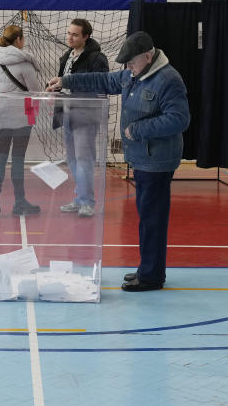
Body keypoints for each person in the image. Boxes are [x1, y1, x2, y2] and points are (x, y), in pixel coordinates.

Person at [47, 31, 190, 292]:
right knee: (148, 217)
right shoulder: (132, 75)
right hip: (142, 159)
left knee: (152, 219)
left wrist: (137, 130)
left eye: (131, 63)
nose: (127, 68)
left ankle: (151, 277)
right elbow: (102, 79)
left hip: (156, 162)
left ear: (148, 57)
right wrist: (66, 80)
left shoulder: (168, 80)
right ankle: (148, 270)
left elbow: (180, 119)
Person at [0, 25, 41, 217]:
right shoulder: (25, 64)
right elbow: (35, 92)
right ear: (18, 41)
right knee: (17, 159)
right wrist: (35, 116)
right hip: (22, 117)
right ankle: (19, 201)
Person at [53, 18, 109, 218]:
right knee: (73, 160)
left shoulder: (97, 58)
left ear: (86, 37)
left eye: (75, 34)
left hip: (85, 114)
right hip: (67, 113)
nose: (70, 37)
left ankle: (87, 202)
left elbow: (101, 84)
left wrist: (72, 84)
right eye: (69, 33)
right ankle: (79, 198)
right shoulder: (66, 57)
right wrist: (56, 88)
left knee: (84, 159)